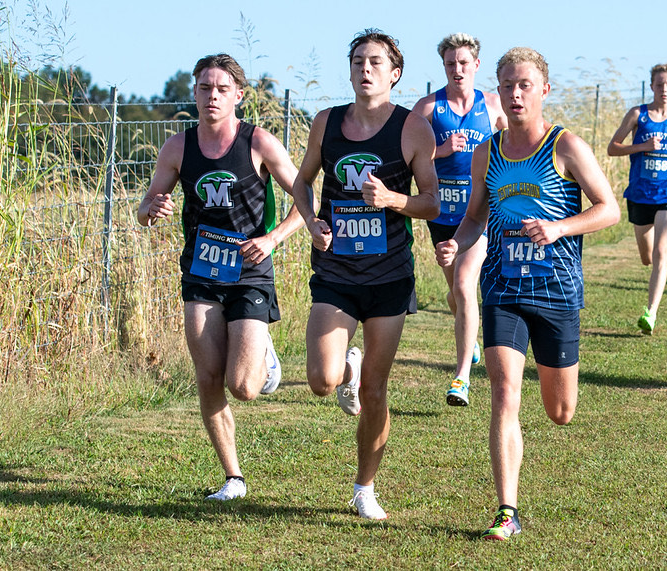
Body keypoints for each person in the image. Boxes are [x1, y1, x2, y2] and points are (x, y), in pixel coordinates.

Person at [436, 47, 619, 540]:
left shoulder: (566, 147)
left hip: (558, 291)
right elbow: (475, 216)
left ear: (544, 90)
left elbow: (608, 209)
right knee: (503, 392)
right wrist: (458, 240)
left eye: (525, 85)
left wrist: (560, 228)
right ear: (497, 91)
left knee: (560, 412)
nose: (515, 94)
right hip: (503, 288)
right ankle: (506, 510)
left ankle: (515, 493)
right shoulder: (487, 153)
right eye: (507, 86)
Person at [137, 53, 305, 501]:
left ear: (238, 96)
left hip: (250, 271)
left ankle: (264, 358)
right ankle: (233, 477)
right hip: (201, 272)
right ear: (194, 93)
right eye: (204, 88)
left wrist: (271, 239)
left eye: (222, 89)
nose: (212, 96)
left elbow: (306, 200)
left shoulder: (259, 142)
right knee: (207, 375)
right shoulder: (177, 147)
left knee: (244, 386)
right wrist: (151, 208)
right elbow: (146, 205)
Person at [292, 29, 439, 520]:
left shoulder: (413, 128)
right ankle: (344, 368)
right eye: (358, 61)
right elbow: (302, 181)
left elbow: (433, 202)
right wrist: (311, 221)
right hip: (336, 269)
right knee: (320, 380)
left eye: (376, 61)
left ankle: (364, 488)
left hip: (390, 274)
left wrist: (393, 199)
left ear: (395, 73)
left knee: (375, 390)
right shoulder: (326, 123)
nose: (366, 68)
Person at [412, 33, 506, 407]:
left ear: (476, 66)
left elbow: (509, 146)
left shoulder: (493, 105)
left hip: (477, 214)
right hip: (441, 215)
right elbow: (410, 157)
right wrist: (440, 150)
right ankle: (472, 339)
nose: (457, 70)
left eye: (463, 63)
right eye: (450, 64)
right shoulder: (428, 108)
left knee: (466, 286)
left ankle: (461, 377)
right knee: (455, 293)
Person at [607, 63, 667, 334]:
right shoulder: (638, 114)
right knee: (647, 257)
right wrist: (642, 146)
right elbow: (612, 148)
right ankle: (651, 276)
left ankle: (651, 313)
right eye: (659, 84)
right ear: (651, 86)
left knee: (662, 250)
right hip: (640, 194)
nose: (664, 89)